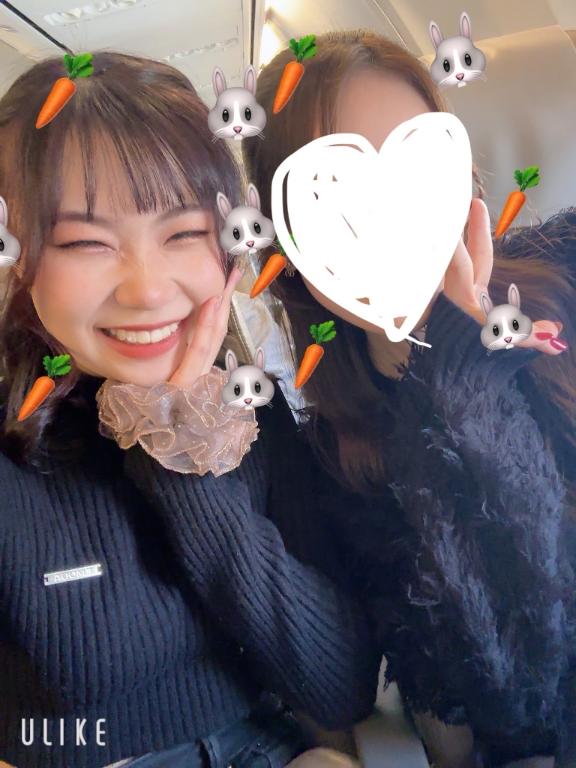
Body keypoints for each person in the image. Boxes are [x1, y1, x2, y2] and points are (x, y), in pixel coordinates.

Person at [0, 51, 382, 768]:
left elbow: (341, 688)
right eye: (84, 242)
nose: (147, 290)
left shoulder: (248, 415)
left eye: (182, 233)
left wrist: (180, 451)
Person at [243, 30, 576, 768]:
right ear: (286, 250)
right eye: (337, 200)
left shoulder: (567, 272)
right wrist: (454, 365)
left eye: (418, 173)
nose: (393, 225)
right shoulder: (332, 460)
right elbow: (516, 693)